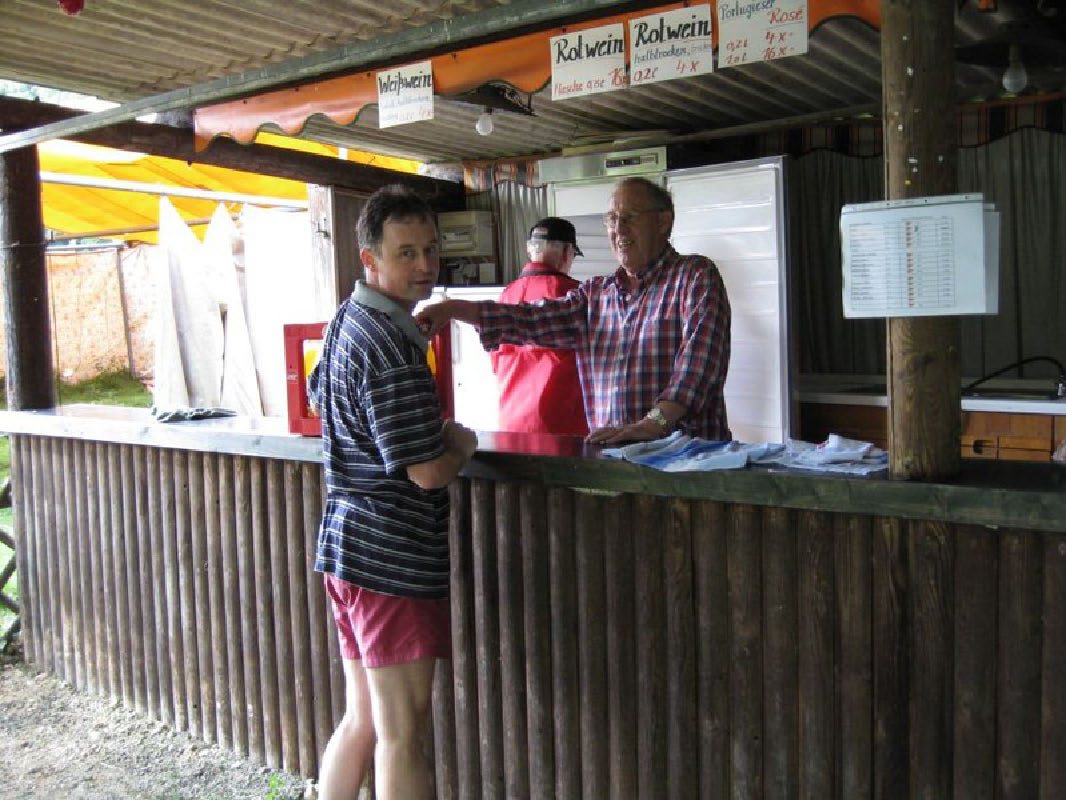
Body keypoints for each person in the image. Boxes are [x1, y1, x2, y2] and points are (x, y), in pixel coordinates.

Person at [308, 185, 478, 800]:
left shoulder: (345, 322)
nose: (425, 265)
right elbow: (427, 472)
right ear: (370, 259)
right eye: (406, 253)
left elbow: (316, 395)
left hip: (347, 548)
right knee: (402, 735)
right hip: (392, 558)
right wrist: (460, 443)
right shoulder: (390, 346)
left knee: (365, 719)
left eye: (430, 250)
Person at [416, 176, 731, 445]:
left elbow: (699, 367)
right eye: (612, 219)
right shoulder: (595, 295)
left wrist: (653, 424)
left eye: (630, 216)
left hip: (688, 466)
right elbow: (529, 320)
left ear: (663, 221)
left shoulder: (694, 276)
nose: (618, 229)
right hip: (618, 464)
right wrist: (452, 308)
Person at [490, 216, 589, 436]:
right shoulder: (574, 295)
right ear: (567, 252)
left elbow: (495, 362)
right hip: (562, 426)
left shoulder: (507, 295)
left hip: (511, 423)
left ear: (530, 251)